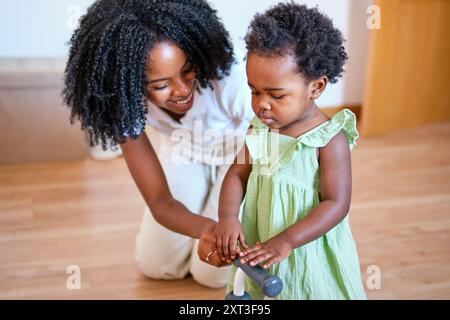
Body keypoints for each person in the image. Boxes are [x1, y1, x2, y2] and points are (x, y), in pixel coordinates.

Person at [63, 0, 253, 288]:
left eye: (188, 70)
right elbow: (159, 200)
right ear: (130, 86)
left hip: (242, 157)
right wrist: (207, 229)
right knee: (156, 265)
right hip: (185, 151)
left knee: (211, 276)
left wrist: (227, 215)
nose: (182, 89)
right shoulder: (123, 102)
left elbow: (270, 141)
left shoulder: (229, 72)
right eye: (160, 85)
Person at [214, 3, 367, 299]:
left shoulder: (328, 139)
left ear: (316, 87)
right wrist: (228, 217)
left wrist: (287, 240)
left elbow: (336, 203)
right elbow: (237, 174)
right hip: (262, 238)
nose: (262, 104)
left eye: (276, 94)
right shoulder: (259, 127)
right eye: (255, 90)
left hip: (306, 245)